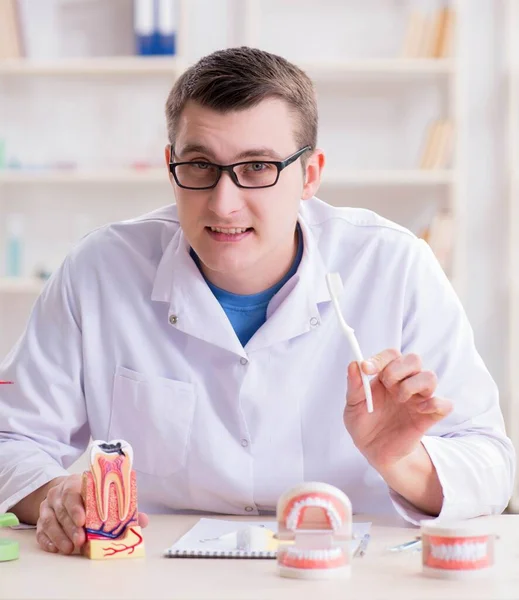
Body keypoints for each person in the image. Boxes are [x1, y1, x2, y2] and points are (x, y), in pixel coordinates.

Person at [0, 47, 514, 556]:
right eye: (200, 165)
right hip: (156, 580)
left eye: (257, 167)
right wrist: (59, 498)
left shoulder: (395, 266)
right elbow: (11, 439)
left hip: (347, 578)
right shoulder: (99, 270)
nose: (224, 203)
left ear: (310, 175)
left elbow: (491, 465)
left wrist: (401, 461)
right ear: (170, 164)